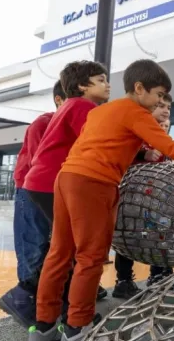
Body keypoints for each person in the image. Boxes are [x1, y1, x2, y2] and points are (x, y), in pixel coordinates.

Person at [26, 59, 174, 341]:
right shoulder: (137, 112)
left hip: (66, 177)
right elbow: (170, 147)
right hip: (93, 183)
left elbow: (102, 143)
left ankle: (43, 326)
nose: (161, 102)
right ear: (140, 89)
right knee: (90, 256)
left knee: (59, 253)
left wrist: (137, 153)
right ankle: (77, 328)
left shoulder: (104, 111)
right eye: (159, 95)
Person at [22, 61, 111, 310]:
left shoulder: (69, 106)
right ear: (82, 85)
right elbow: (98, 140)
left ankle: (48, 309)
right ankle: (64, 307)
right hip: (54, 182)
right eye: (101, 80)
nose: (108, 84)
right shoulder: (82, 106)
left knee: (62, 248)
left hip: (41, 183)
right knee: (73, 250)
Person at [0, 81, 65, 329]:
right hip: (31, 189)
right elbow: (41, 163)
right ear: (59, 100)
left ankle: (50, 302)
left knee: (53, 247)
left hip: (58, 191)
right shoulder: (43, 123)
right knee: (32, 245)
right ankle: (25, 303)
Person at [112, 96, 173, 300]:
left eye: (168, 108)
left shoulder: (161, 141)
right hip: (131, 194)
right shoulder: (135, 132)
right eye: (160, 106)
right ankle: (124, 280)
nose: (165, 111)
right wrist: (143, 153)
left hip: (154, 197)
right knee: (127, 236)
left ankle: (157, 274)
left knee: (159, 233)